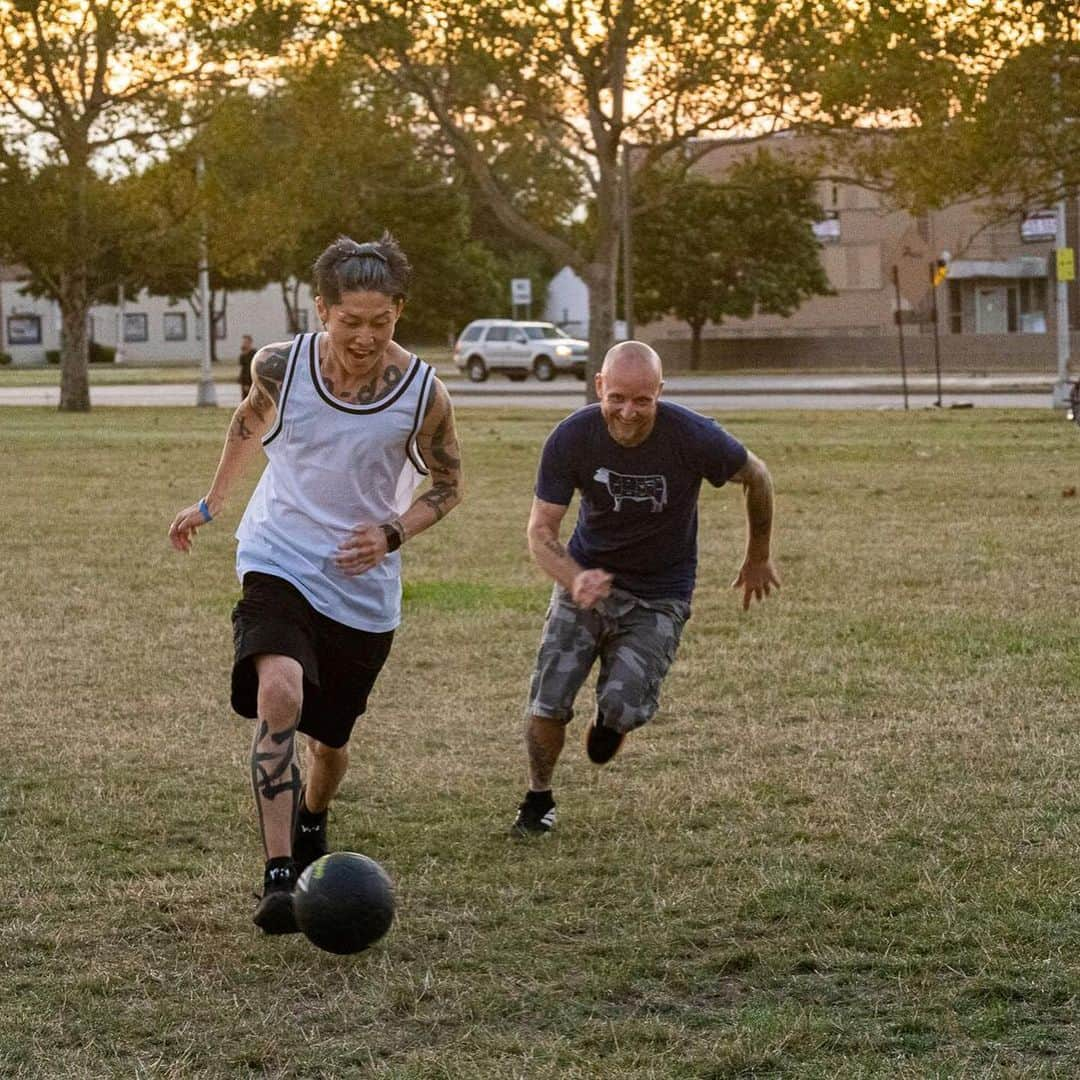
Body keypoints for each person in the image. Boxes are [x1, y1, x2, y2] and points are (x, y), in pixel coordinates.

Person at [168, 234, 463, 934]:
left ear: (398, 311)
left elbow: (449, 485)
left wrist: (392, 532)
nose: (364, 336)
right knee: (280, 693)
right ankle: (276, 878)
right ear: (322, 308)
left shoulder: (422, 392)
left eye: (381, 321)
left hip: (361, 589)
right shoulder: (281, 365)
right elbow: (247, 423)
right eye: (349, 320)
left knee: (329, 745)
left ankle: (314, 815)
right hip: (278, 554)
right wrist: (211, 505)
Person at [511, 340, 778, 836]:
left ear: (660, 392)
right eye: (616, 398)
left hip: (661, 592)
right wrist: (575, 578)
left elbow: (757, 476)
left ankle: (611, 721)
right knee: (549, 698)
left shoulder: (694, 436)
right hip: (588, 578)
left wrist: (758, 555)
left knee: (625, 706)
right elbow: (540, 531)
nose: (627, 413)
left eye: (642, 400)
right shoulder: (571, 438)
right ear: (599, 388)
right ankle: (537, 797)